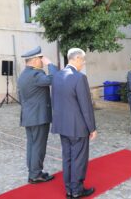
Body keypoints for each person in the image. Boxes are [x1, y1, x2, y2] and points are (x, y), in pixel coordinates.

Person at [51, 48, 97, 198]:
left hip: (62, 125)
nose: (83, 64)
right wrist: (92, 128)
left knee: (68, 157)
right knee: (78, 159)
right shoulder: (79, 78)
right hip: (78, 127)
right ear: (77, 58)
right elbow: (86, 106)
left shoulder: (57, 76)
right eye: (83, 60)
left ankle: (69, 189)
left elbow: (55, 101)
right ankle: (76, 190)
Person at [17, 46, 58, 184]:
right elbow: (54, 79)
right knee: (38, 146)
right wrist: (50, 64)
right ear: (34, 60)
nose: (42, 62)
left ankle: (33, 172)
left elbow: (20, 97)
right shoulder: (36, 75)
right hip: (38, 117)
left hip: (29, 116)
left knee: (32, 145)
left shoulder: (23, 75)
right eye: (40, 59)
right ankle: (36, 174)